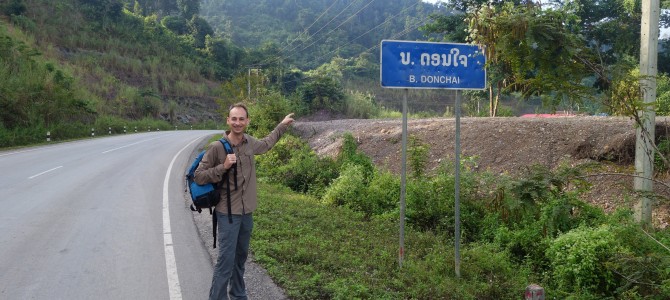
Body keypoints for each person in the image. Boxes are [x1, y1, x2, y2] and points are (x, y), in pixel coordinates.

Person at [194, 103, 294, 300]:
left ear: (247, 121)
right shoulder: (217, 147)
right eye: (234, 119)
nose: (237, 123)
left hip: (247, 212)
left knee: (240, 258)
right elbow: (199, 176)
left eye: (241, 119)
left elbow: (266, 144)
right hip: (227, 214)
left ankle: (238, 294)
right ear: (228, 121)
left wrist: (282, 125)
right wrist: (222, 167)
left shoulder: (249, 142)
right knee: (226, 261)